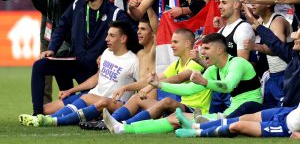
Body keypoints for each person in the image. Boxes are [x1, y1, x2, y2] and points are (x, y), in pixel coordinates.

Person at [102, 33, 262, 135]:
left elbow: (227, 85)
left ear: (219, 50)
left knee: (180, 117)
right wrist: (159, 85)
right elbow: (189, 89)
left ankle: (204, 126)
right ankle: (123, 128)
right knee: (174, 118)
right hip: (230, 112)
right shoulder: (213, 69)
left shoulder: (237, 63)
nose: (202, 52)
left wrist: (205, 82)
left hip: (250, 110)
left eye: (206, 48)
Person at [30, 0, 130, 115]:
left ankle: (68, 107)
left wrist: (109, 55)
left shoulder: (115, 14)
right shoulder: (78, 4)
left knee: (82, 109)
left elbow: (126, 40)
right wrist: (52, 49)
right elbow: (62, 27)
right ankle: (37, 113)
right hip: (75, 61)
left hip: (94, 72)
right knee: (40, 65)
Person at [19, 21, 139, 127]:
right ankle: (51, 117)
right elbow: (96, 78)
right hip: (93, 95)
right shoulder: (107, 53)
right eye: (107, 35)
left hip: (112, 103)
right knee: (45, 109)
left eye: (111, 36)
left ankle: (51, 120)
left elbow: (141, 86)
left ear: (123, 39)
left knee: (85, 98)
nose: (106, 39)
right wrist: (71, 91)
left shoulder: (133, 61)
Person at [101, 28, 211, 129]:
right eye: (172, 42)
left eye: (175, 42)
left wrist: (150, 87)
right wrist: (125, 87)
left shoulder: (197, 61)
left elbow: (178, 78)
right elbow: (151, 80)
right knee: (136, 98)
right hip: (181, 108)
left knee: (167, 101)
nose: (171, 45)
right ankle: (107, 122)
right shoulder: (176, 64)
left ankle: (124, 125)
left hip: (197, 111)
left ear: (187, 43)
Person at [79, 17, 157, 130]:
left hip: (147, 101)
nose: (138, 32)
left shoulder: (155, 52)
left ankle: (105, 122)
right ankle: (103, 121)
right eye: (138, 28)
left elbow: (156, 29)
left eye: (143, 29)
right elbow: (140, 81)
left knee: (88, 99)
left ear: (153, 33)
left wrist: (150, 2)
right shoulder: (139, 54)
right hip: (138, 99)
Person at [243, 0, 291, 107]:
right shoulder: (261, 22)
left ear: (268, 4)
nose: (252, 3)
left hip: (285, 76)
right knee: (266, 113)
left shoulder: (277, 21)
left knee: (282, 114)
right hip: (272, 76)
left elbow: (278, 48)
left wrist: (257, 47)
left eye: (256, 0)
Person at [209, 0, 255, 114]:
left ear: (236, 5)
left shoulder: (243, 29)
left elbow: (242, 63)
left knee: (227, 124)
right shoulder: (221, 30)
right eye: (220, 3)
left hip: (235, 88)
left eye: (224, 3)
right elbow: (215, 64)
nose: (219, 6)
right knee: (208, 124)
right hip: (220, 87)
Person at [174, 104, 300, 138]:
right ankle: (194, 125)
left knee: (238, 126)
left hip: (286, 127)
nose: (294, 36)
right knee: (246, 117)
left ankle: (196, 133)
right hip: (289, 112)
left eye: (298, 36)